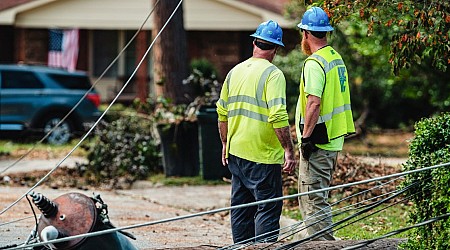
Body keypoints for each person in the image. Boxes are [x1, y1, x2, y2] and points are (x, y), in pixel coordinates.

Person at [216, 20, 297, 243]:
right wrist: (288, 150)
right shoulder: (273, 75)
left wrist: (225, 143)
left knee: (241, 207)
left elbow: (222, 112)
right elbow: (278, 116)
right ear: (276, 49)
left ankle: (240, 248)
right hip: (262, 154)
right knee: (268, 207)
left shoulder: (235, 71)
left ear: (254, 43)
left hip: (236, 151)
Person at [294, 7, 355, 240]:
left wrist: (306, 137)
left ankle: (322, 245)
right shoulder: (335, 58)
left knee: (312, 200)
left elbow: (314, 103)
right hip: (333, 138)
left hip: (318, 141)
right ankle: (326, 242)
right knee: (319, 197)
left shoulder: (314, 63)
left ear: (306, 34)